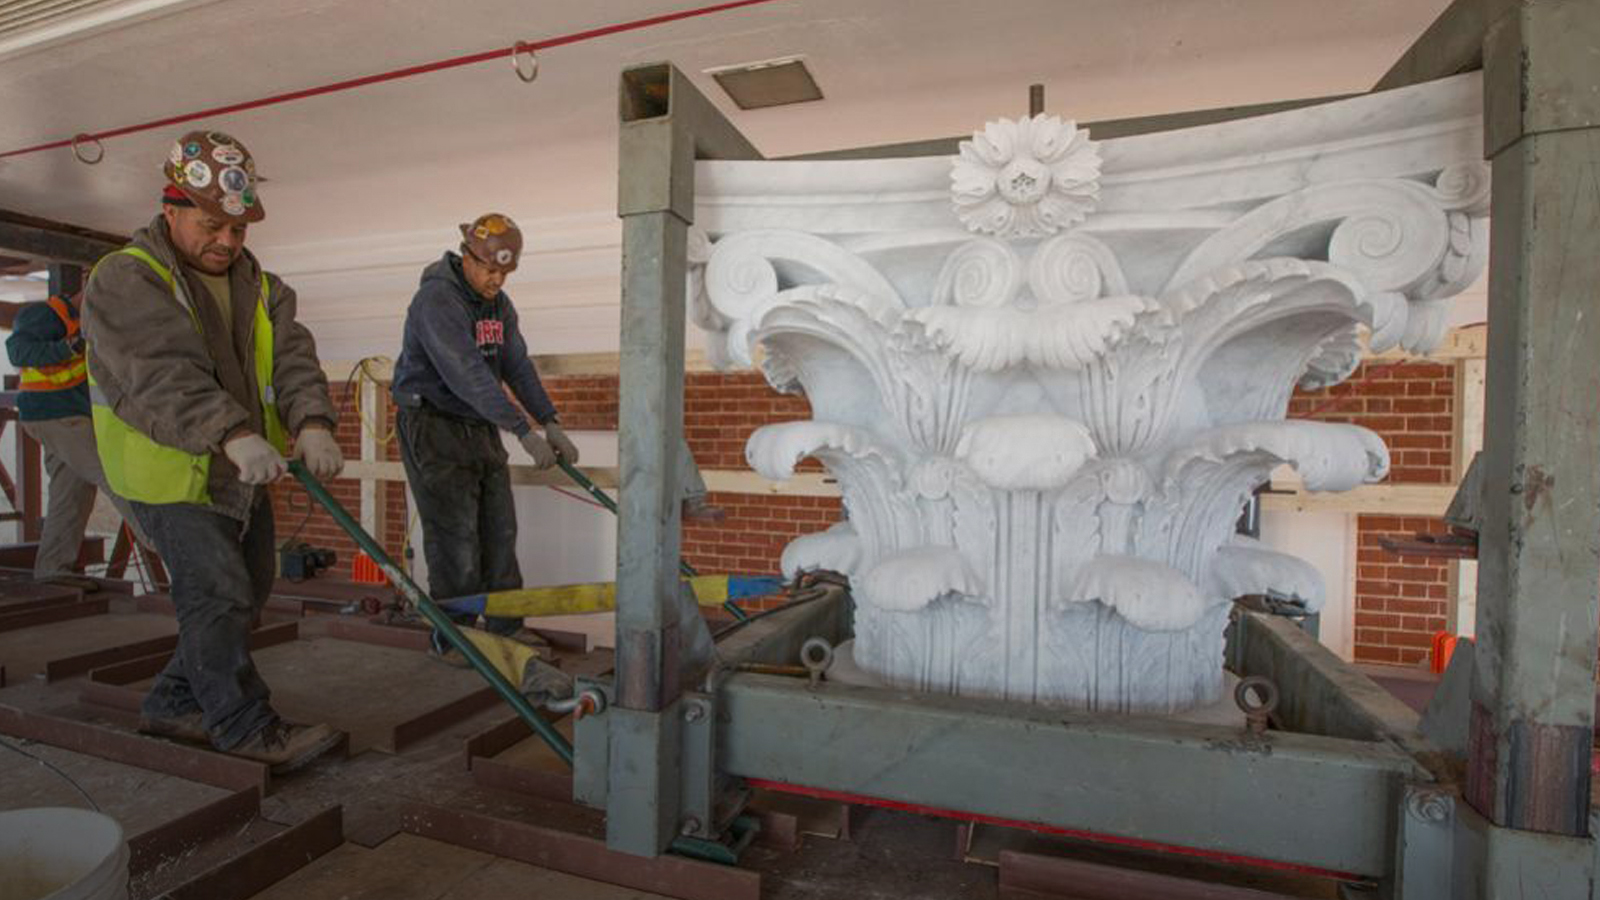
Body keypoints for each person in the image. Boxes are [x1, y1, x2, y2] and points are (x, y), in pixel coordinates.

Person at [81, 129, 345, 772]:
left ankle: (173, 701)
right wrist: (231, 432)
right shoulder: (126, 279)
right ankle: (243, 725)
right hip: (170, 473)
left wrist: (311, 419)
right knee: (220, 592)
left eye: (238, 229)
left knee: (247, 593)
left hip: (236, 474)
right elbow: (160, 373)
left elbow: (293, 357)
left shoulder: (264, 286)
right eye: (210, 224)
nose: (226, 241)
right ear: (170, 209)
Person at [391, 213, 577, 638]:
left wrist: (549, 420)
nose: (498, 280)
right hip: (433, 424)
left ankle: (505, 630)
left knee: (500, 531)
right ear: (467, 257)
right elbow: (467, 374)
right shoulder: (436, 301)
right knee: (455, 537)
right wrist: (523, 431)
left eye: (506, 272)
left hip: (479, 424)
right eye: (490, 270)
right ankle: (457, 638)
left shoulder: (499, 305)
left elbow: (515, 365)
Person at [5, 292, 153, 583]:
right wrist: (70, 348)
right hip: (57, 417)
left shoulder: (91, 327)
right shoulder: (45, 315)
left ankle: (52, 571)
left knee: (70, 495)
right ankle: (167, 544)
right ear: (88, 289)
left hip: (64, 418)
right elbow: (17, 350)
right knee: (116, 474)